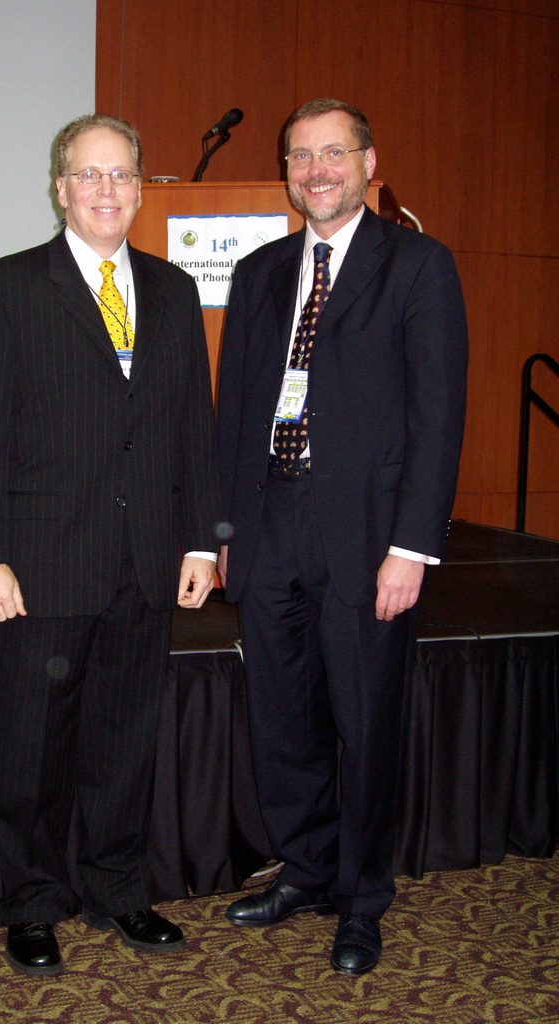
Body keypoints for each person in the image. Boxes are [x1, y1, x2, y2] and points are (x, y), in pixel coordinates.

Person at [0, 113, 220, 976]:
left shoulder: (173, 291)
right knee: (31, 748)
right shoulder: (5, 288)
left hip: (147, 561)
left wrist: (202, 542)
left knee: (124, 741)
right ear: (61, 187)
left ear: (140, 188)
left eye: (122, 175)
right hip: (42, 563)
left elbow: (193, 428)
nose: (108, 190)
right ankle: (31, 903)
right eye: (90, 174)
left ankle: (118, 890)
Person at [216, 98, 467, 975]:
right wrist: (226, 531)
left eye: (333, 153)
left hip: (368, 536)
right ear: (285, 172)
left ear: (368, 162)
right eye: (300, 156)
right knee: (281, 717)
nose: (316, 170)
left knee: (364, 721)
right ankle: (306, 870)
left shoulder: (419, 266)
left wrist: (412, 546)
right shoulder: (259, 272)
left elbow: (439, 418)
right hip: (270, 524)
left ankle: (361, 898)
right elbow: (236, 411)